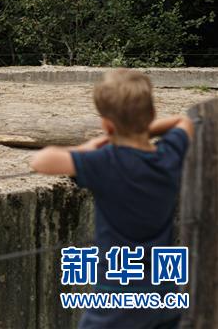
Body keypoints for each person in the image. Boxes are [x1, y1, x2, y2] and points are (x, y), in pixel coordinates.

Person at [30, 69, 194, 329]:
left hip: (118, 300)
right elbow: (183, 122)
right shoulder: (169, 156)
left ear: (107, 125)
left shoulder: (105, 162)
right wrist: (139, 129)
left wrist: (92, 145)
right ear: (151, 114)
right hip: (165, 296)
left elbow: (41, 160)